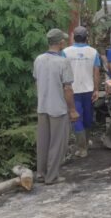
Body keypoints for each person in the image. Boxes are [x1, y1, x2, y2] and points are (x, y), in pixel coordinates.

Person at [33, 29, 78, 185]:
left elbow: (37, 82)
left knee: (43, 142)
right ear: (60, 43)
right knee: (57, 144)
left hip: (42, 107)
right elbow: (68, 89)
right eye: (63, 40)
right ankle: (52, 176)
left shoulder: (38, 59)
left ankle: (41, 174)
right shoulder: (63, 62)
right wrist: (72, 110)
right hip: (58, 108)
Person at [62, 26, 100, 158]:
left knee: (76, 117)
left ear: (74, 36)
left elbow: (62, 72)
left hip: (72, 90)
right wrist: (96, 89)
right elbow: (96, 72)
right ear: (86, 37)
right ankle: (85, 143)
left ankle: (82, 148)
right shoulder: (93, 52)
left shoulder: (65, 52)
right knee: (88, 117)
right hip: (88, 89)